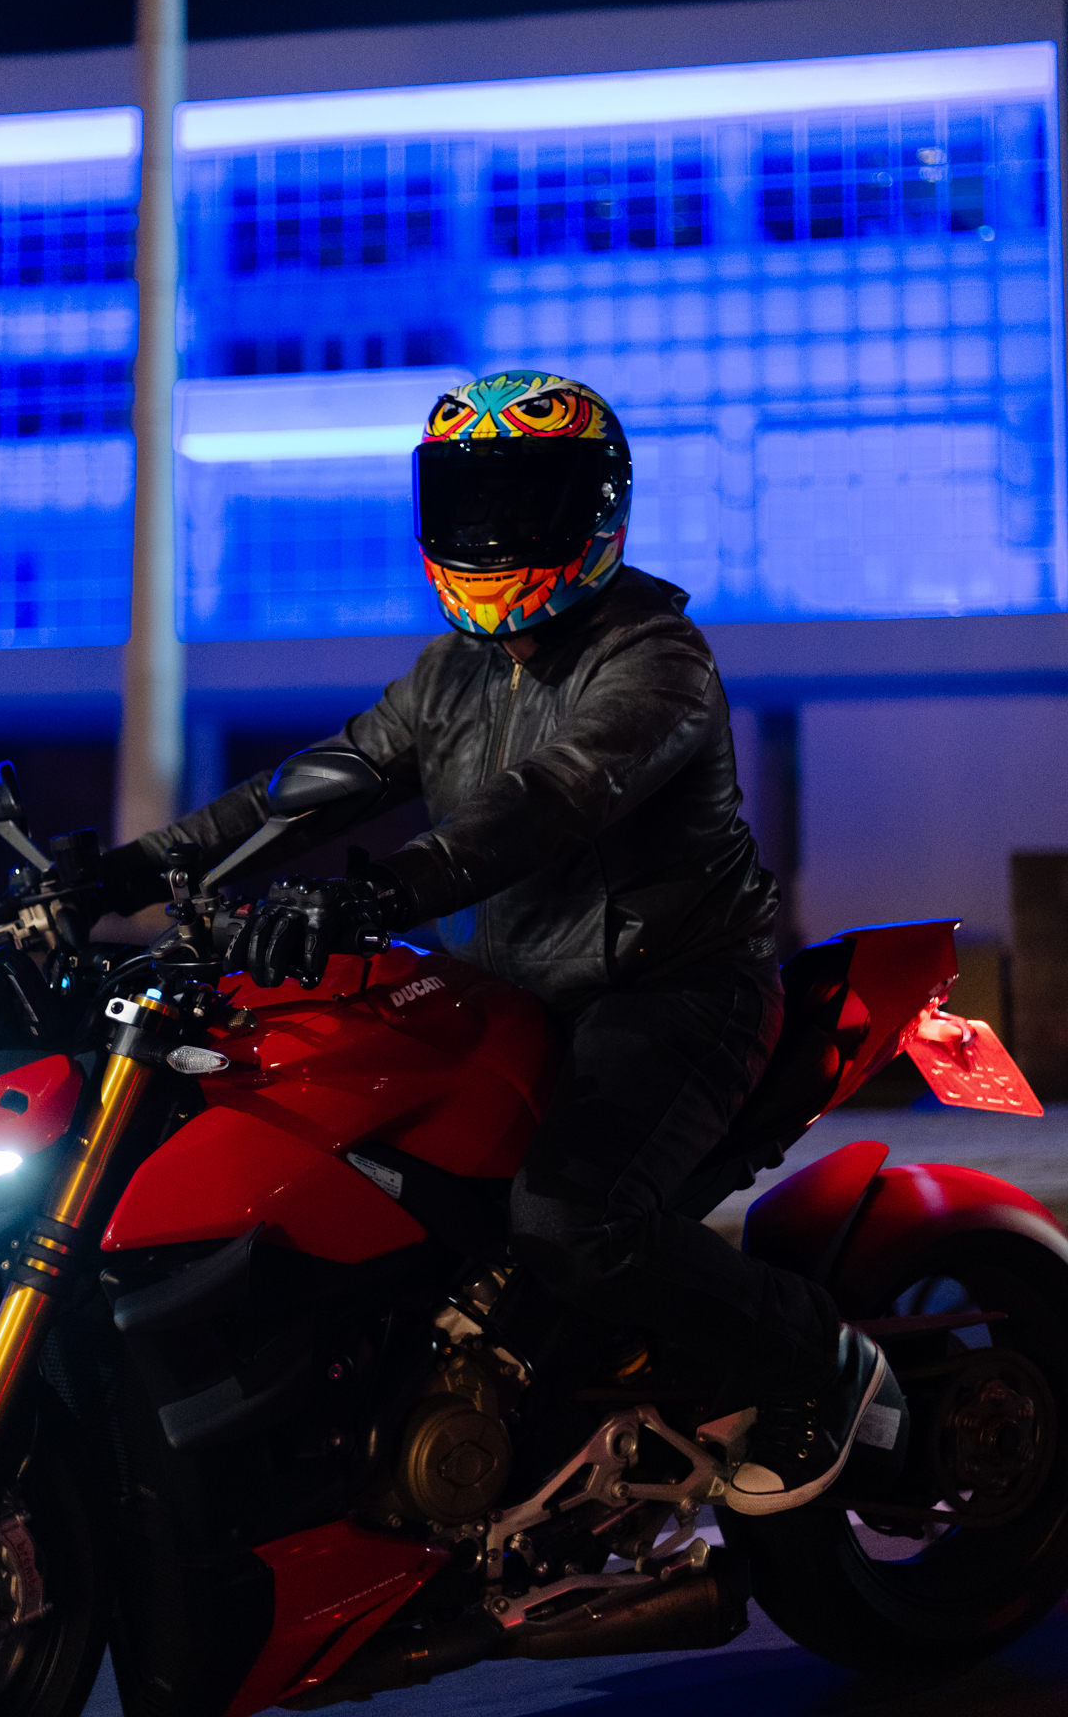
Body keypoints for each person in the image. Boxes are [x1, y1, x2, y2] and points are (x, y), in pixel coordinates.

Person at [98, 370, 905, 1516]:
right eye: (469, 502)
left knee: (573, 1221)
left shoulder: (655, 657)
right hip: (503, 991)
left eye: (524, 502)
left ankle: (814, 1360)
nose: (490, 533)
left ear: (596, 508)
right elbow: (313, 786)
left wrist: (377, 892)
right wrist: (127, 872)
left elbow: (550, 798)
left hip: (668, 990)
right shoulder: (451, 673)